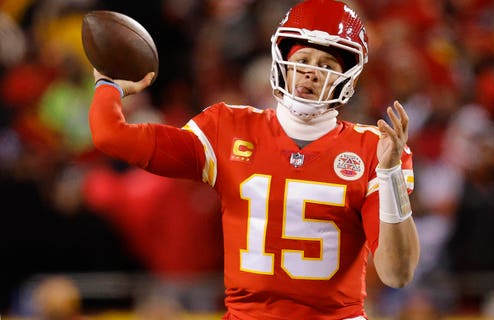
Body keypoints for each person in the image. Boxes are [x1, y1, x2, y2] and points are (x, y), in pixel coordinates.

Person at [88, 0, 420, 318]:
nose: (311, 73)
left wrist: (390, 174)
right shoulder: (227, 129)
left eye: (327, 66)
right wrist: (108, 85)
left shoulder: (374, 148)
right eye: (304, 59)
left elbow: (397, 273)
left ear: (347, 78)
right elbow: (111, 136)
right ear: (281, 61)